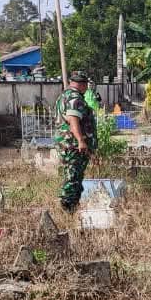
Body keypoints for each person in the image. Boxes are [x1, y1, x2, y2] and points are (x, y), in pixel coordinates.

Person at [56, 71, 97, 212]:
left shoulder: (64, 95)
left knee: (73, 176)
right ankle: (67, 208)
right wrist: (81, 140)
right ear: (81, 84)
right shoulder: (75, 98)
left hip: (67, 144)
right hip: (73, 145)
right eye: (86, 85)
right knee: (73, 177)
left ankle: (72, 207)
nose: (87, 88)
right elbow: (73, 120)